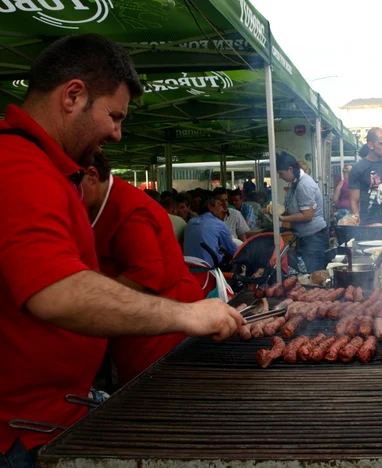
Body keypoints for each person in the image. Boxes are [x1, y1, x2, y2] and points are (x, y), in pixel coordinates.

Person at [0, 34, 242, 466]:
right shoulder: (18, 166)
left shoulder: (47, 169)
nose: (117, 133)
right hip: (21, 431)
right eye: (113, 116)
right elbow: (58, 291)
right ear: (73, 96)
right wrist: (187, 314)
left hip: (51, 414)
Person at [82, 153, 204, 384]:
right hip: (143, 319)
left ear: (91, 176)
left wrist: (86, 296)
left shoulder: (128, 210)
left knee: (153, 390)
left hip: (161, 324)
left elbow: (145, 275)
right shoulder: (97, 204)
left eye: (70, 183)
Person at [276, 152, 329, 273]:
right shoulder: (295, 183)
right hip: (306, 236)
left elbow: (307, 215)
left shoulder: (304, 184)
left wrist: (283, 219)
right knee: (307, 274)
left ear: (290, 169)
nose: (280, 177)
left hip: (313, 237)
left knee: (313, 275)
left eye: (281, 174)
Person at [183, 191, 238, 267]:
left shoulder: (190, 223)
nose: (223, 209)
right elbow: (233, 250)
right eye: (220, 205)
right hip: (209, 270)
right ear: (210, 207)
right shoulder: (219, 224)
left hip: (189, 267)